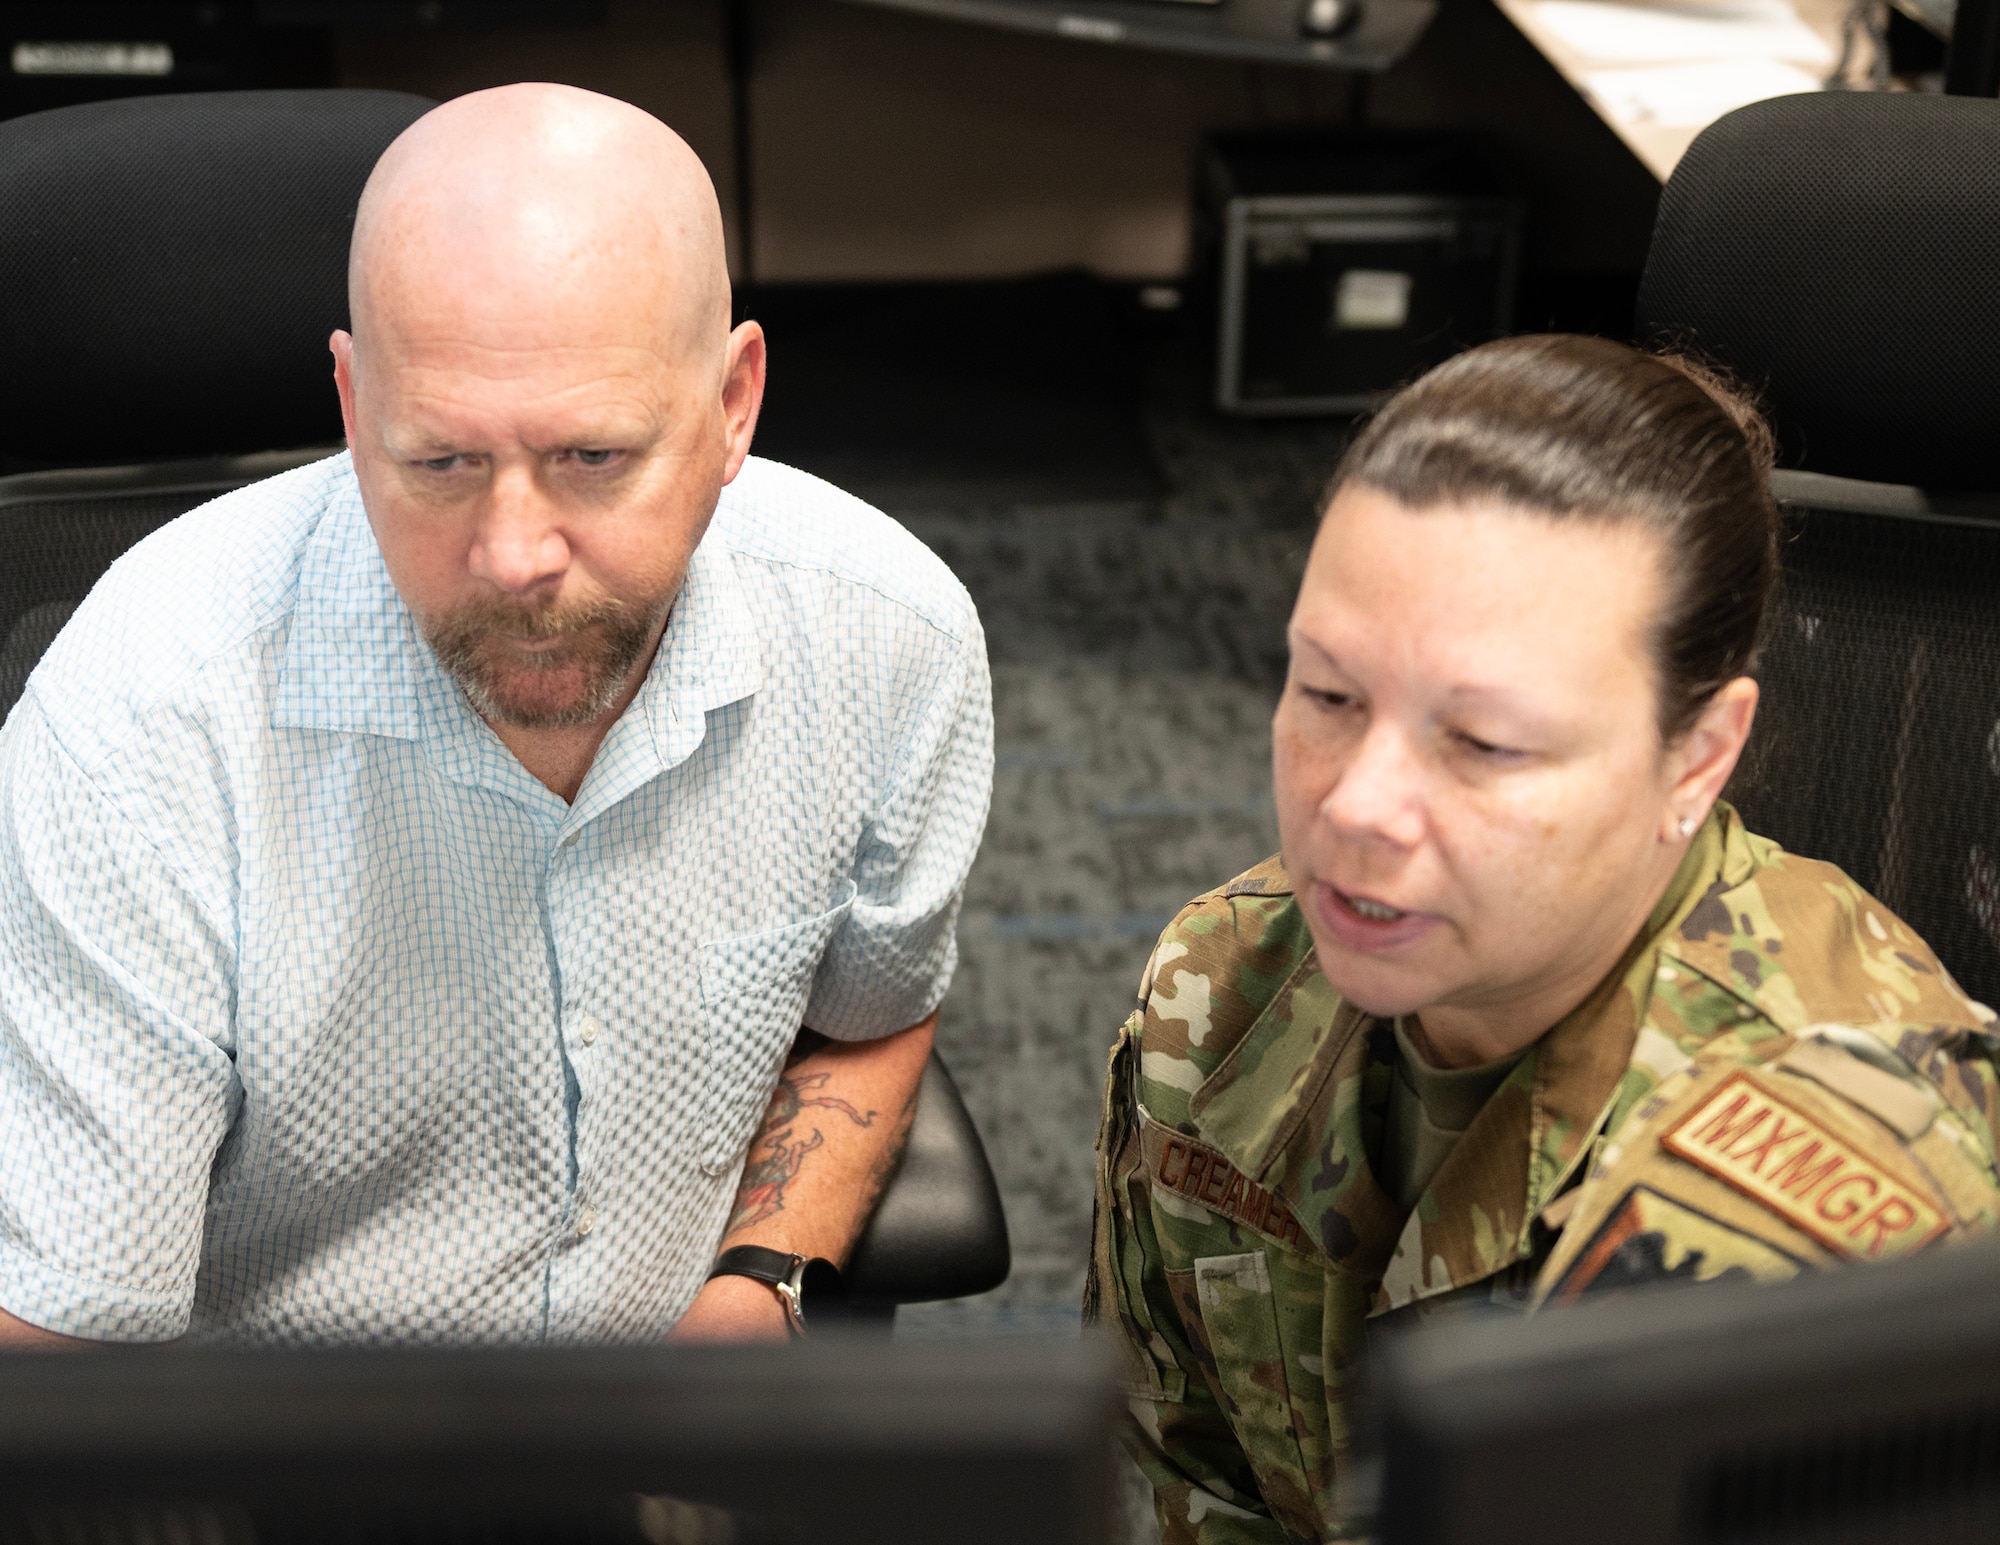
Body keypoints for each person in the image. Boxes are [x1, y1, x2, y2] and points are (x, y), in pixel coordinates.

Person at [0, 84, 991, 1347]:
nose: (515, 554)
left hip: (675, 1415)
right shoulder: (144, 716)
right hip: (268, 1448)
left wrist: (759, 1286)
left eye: (592, 458)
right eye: (441, 463)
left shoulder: (889, 638)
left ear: (734, 402)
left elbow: (875, 1019)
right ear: (354, 408)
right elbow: (67, 1350)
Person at [1088, 335, 2000, 1543]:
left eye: (1483, 744)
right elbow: (1168, 1477)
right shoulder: (1218, 992)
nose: (1354, 804)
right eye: (1327, 694)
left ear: (1698, 757)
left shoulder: (1842, 1216)